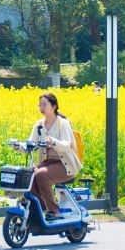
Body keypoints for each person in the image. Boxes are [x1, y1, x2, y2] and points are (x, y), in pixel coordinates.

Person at [24, 92, 82, 220]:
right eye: (40, 105)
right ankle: (39, 209)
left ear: (54, 106)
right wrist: (19, 146)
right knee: (29, 175)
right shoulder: (39, 124)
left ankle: (53, 210)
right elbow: (31, 143)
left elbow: (66, 144)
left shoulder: (63, 123)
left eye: (44, 105)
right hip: (48, 162)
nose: (41, 108)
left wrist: (54, 142)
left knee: (41, 174)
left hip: (64, 165)